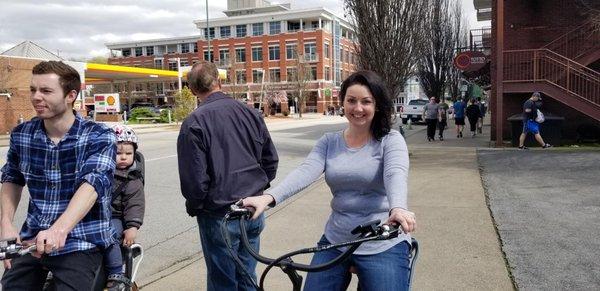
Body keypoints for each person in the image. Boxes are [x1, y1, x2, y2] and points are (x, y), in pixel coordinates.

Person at [244, 71, 417, 291]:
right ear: (343, 102)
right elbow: (305, 171)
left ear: (378, 105)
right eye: (351, 100)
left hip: (382, 240)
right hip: (337, 239)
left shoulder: (391, 141)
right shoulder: (329, 142)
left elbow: (396, 174)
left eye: (366, 101)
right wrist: (268, 198)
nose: (358, 108)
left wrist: (398, 208)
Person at [0, 61, 116, 290]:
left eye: (46, 91)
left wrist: (59, 229)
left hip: (81, 240)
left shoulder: (98, 135)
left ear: (71, 95)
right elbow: (12, 177)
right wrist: (6, 225)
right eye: (33, 89)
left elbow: (93, 184)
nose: (36, 97)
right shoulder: (22, 135)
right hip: (32, 240)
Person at [177, 61, 279, 291]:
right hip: (252, 209)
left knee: (223, 282)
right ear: (220, 82)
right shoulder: (251, 114)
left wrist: (197, 206)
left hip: (218, 214)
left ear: (192, 90)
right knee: (247, 277)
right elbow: (270, 160)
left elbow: (195, 180)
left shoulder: (194, 123)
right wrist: (258, 190)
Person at [103, 125, 146, 291]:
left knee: (109, 234)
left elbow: (135, 204)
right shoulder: (100, 171)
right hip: (95, 215)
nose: (123, 157)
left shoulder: (132, 180)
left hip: (116, 217)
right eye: (118, 153)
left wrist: (132, 227)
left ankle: (116, 273)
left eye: (128, 154)